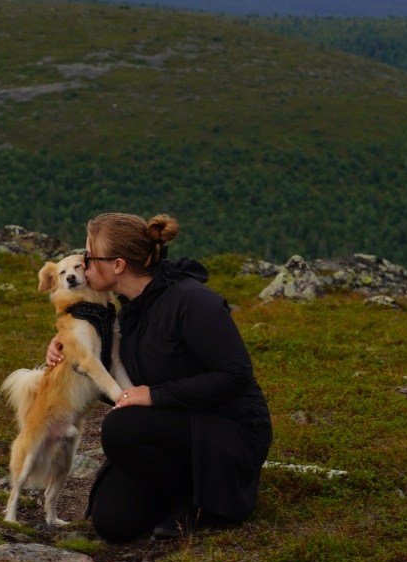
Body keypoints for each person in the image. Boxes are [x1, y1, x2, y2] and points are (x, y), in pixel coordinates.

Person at [46, 211, 272, 542]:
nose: (83, 265)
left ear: (118, 265)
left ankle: (209, 502)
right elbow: (120, 389)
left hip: (226, 428)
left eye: (89, 257)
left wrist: (154, 395)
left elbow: (235, 374)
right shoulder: (130, 310)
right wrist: (73, 353)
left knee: (120, 428)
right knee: (114, 523)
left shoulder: (192, 301)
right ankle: (181, 491)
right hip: (171, 426)